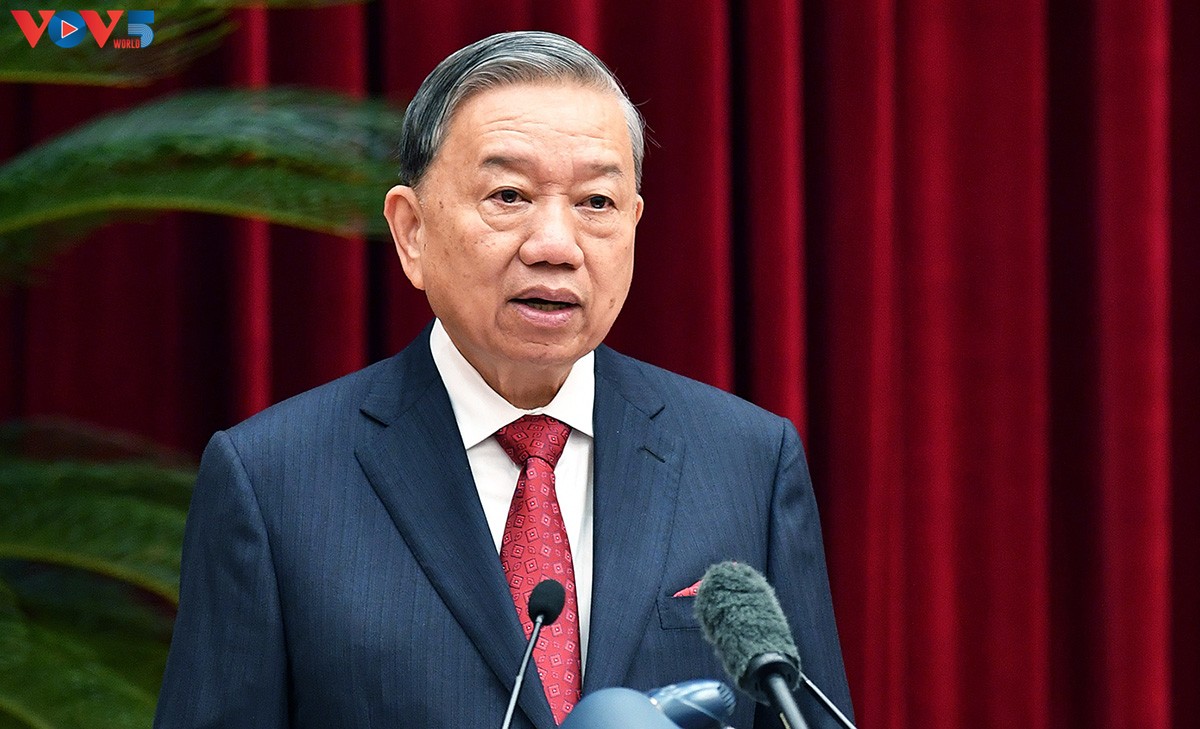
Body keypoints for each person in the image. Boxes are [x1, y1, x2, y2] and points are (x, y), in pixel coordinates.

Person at [154, 31, 852, 729]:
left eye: (596, 202)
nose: (555, 245)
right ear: (411, 231)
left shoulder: (746, 463)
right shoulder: (272, 481)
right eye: (509, 194)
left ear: (634, 225)